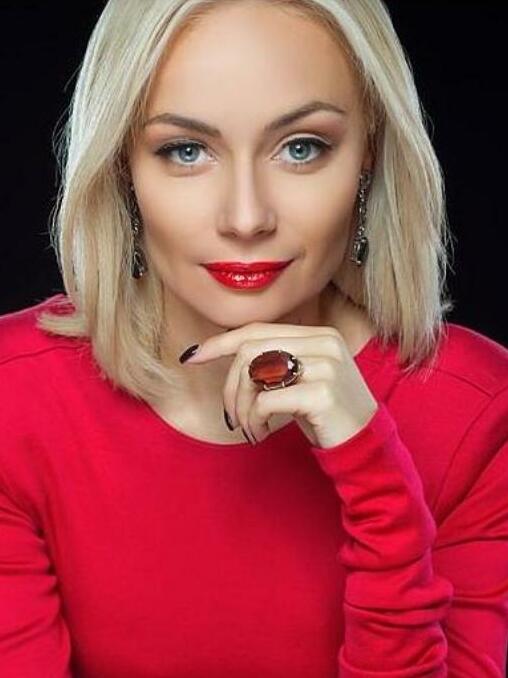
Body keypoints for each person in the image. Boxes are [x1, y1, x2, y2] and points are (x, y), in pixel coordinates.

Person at [0, 0, 506, 675]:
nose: (246, 217)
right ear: (121, 166)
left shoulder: (478, 413)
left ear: (370, 156)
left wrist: (374, 473)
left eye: (302, 148)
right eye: (185, 151)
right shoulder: (15, 398)